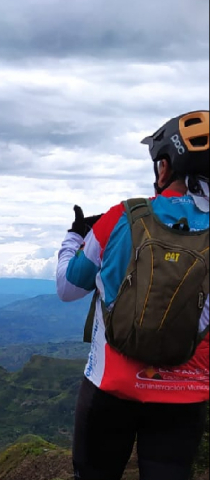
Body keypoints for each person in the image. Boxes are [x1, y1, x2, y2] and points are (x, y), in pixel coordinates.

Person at [55, 110, 210, 480]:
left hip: (111, 387)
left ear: (164, 167)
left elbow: (67, 287)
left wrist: (74, 237)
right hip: (186, 394)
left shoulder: (123, 216)